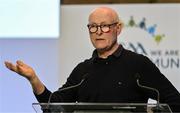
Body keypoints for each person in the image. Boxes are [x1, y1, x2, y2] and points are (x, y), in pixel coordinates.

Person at [4, 7, 180, 112]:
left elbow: (175, 102)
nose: (98, 32)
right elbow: (53, 107)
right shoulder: (83, 71)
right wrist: (33, 79)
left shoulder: (138, 64)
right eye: (93, 27)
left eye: (104, 26)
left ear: (117, 28)